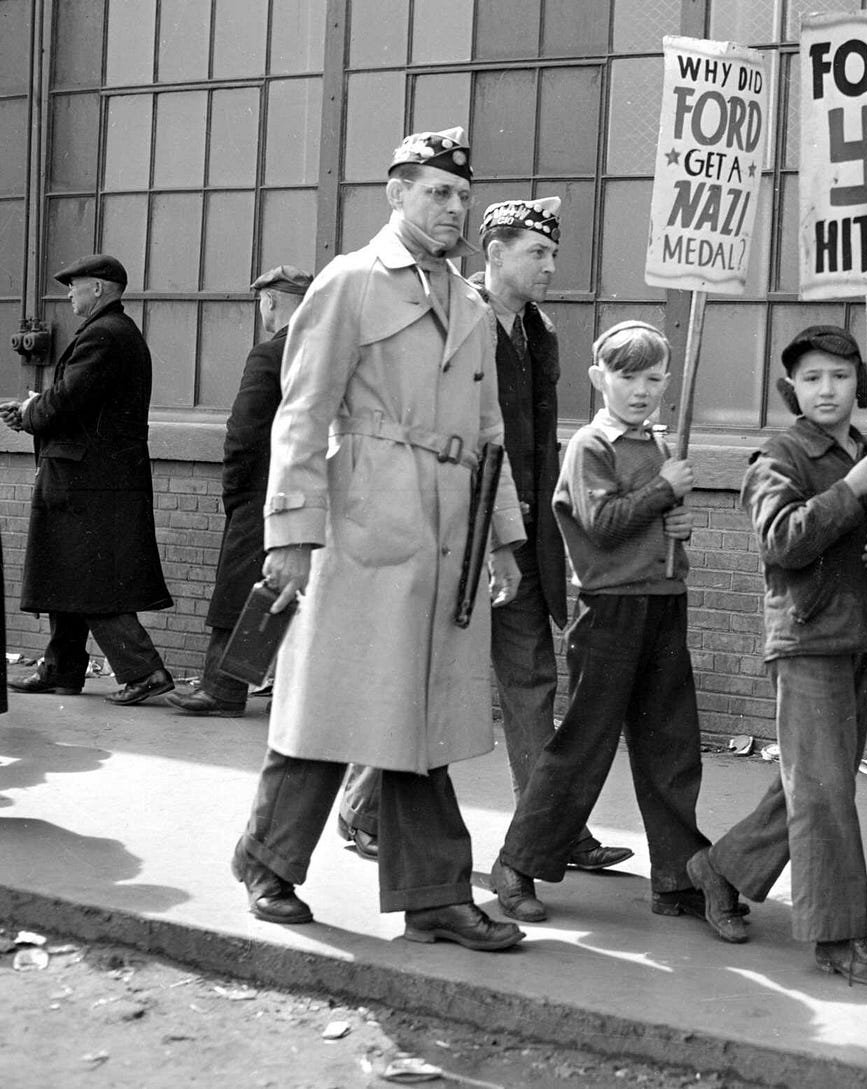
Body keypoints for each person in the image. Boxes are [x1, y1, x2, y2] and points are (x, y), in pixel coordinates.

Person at [229, 126, 527, 953]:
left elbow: (492, 428)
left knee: (414, 708)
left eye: (462, 194)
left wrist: (503, 537)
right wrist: (290, 531)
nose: (452, 207)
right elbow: (302, 410)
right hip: (361, 518)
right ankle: (267, 860)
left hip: (445, 530)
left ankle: (430, 894)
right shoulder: (351, 282)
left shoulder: (469, 302)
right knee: (337, 703)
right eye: (437, 191)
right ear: (395, 193)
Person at [335, 198, 631, 875]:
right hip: (450, 531)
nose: (551, 265)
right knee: (428, 672)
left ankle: (550, 827)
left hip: (522, 533)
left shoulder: (542, 332)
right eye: (538, 253)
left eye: (553, 254)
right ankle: (363, 805)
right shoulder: (449, 317)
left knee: (531, 680)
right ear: (494, 255)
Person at [684, 325, 867, 987]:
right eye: (812, 377)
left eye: (840, 376)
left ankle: (719, 869)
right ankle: (839, 938)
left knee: (812, 783)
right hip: (807, 638)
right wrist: (850, 490)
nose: (827, 389)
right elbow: (781, 541)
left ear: (859, 384)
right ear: (794, 387)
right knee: (823, 794)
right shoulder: (779, 456)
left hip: (862, 635)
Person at [489, 321, 712, 924]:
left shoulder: (661, 444)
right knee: (582, 747)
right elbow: (604, 525)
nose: (641, 390)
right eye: (626, 376)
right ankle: (515, 864)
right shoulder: (591, 445)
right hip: (610, 610)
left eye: (653, 377)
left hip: (664, 601)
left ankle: (676, 878)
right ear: (598, 379)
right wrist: (664, 495)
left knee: (671, 745)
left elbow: (644, 522)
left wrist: (676, 529)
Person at [3, 254, 174, 706]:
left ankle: (145, 671)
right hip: (92, 478)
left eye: (74, 286)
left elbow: (67, 399)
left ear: (98, 289)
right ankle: (61, 670)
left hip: (88, 482)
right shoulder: (114, 333)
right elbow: (76, 399)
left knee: (93, 578)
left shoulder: (105, 335)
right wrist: (37, 409)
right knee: (69, 571)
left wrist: (29, 412)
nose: (68, 294)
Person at [166, 264, 312, 717]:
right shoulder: (325, 350)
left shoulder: (269, 354)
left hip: (263, 494)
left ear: (270, 301)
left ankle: (222, 689)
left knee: (241, 591)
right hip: (317, 494)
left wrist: (236, 494)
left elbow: (243, 433)